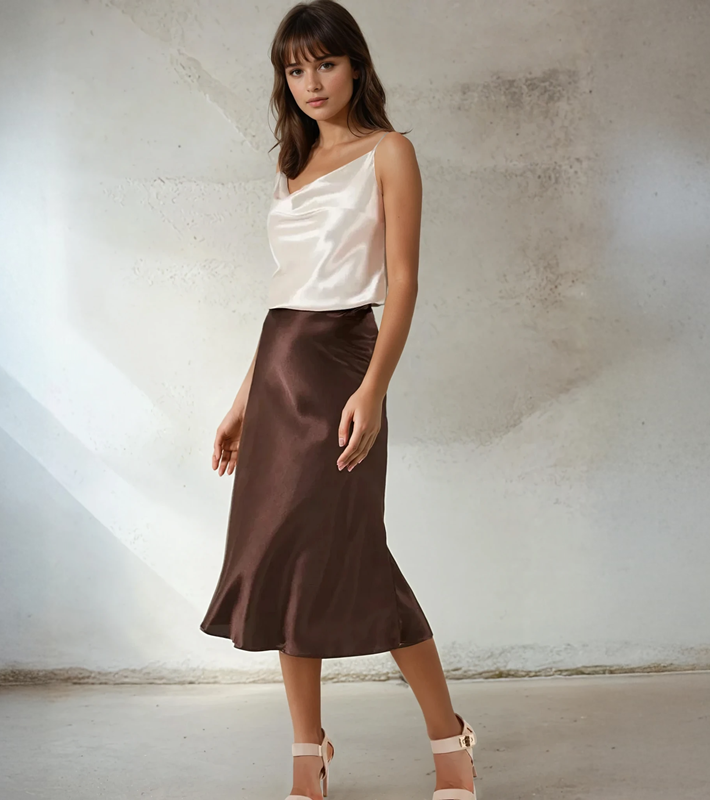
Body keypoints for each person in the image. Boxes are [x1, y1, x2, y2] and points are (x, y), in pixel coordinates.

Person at [199, 2, 479, 799]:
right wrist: (242, 402)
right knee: (285, 563)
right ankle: (306, 754)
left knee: (358, 557)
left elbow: (405, 283)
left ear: (355, 64)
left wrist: (374, 389)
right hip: (278, 374)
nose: (311, 82)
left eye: (324, 63)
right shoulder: (291, 166)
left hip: (342, 369)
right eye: (295, 70)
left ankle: (450, 738)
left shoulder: (390, 152)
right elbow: (283, 296)